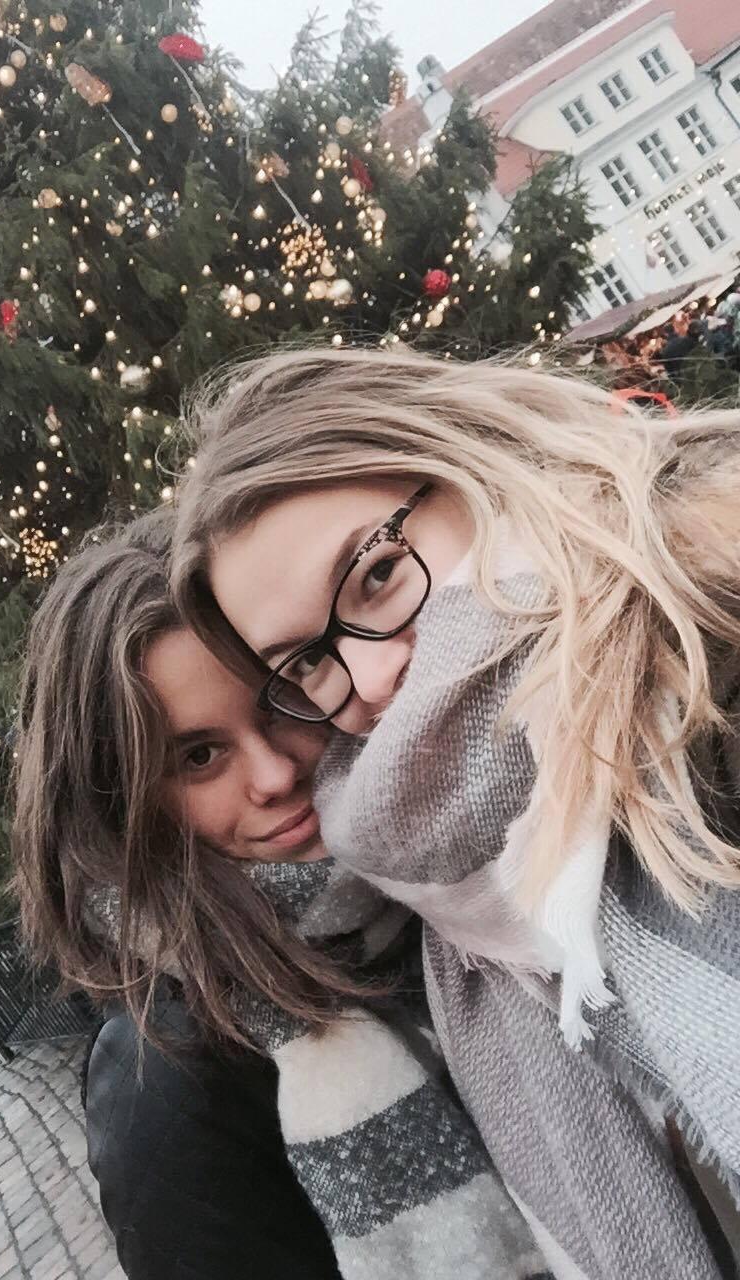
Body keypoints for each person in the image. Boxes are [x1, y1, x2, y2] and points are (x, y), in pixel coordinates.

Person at [171, 345, 740, 1278]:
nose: (369, 679)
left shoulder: (715, 639)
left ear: (474, 458)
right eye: (307, 664)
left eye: (376, 575)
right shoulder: (454, 909)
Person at [10, 511, 562, 1280]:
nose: (275, 775)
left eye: (280, 701)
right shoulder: (168, 1082)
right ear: (121, 806)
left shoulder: (460, 872)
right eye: (199, 756)